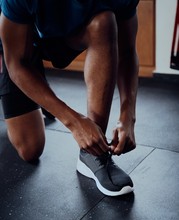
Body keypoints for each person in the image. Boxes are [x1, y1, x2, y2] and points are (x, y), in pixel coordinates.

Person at [0, 0, 139, 196]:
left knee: (104, 22)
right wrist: (74, 122)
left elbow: (127, 51)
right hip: (21, 46)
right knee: (30, 149)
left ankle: (93, 155)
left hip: (67, 35)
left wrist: (128, 116)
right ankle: (39, 90)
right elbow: (16, 63)